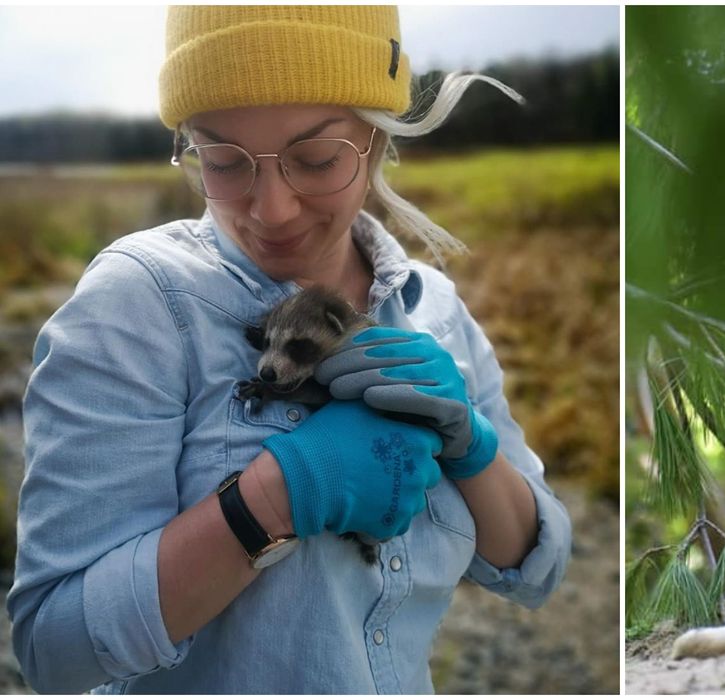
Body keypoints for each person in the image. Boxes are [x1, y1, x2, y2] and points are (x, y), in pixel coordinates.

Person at [5, 6, 572, 694]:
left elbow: (535, 569)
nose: (271, 209)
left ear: (378, 140)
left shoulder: (436, 312)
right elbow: (52, 651)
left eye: (316, 159)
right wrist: (272, 499)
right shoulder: (136, 306)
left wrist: (472, 446)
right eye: (223, 161)